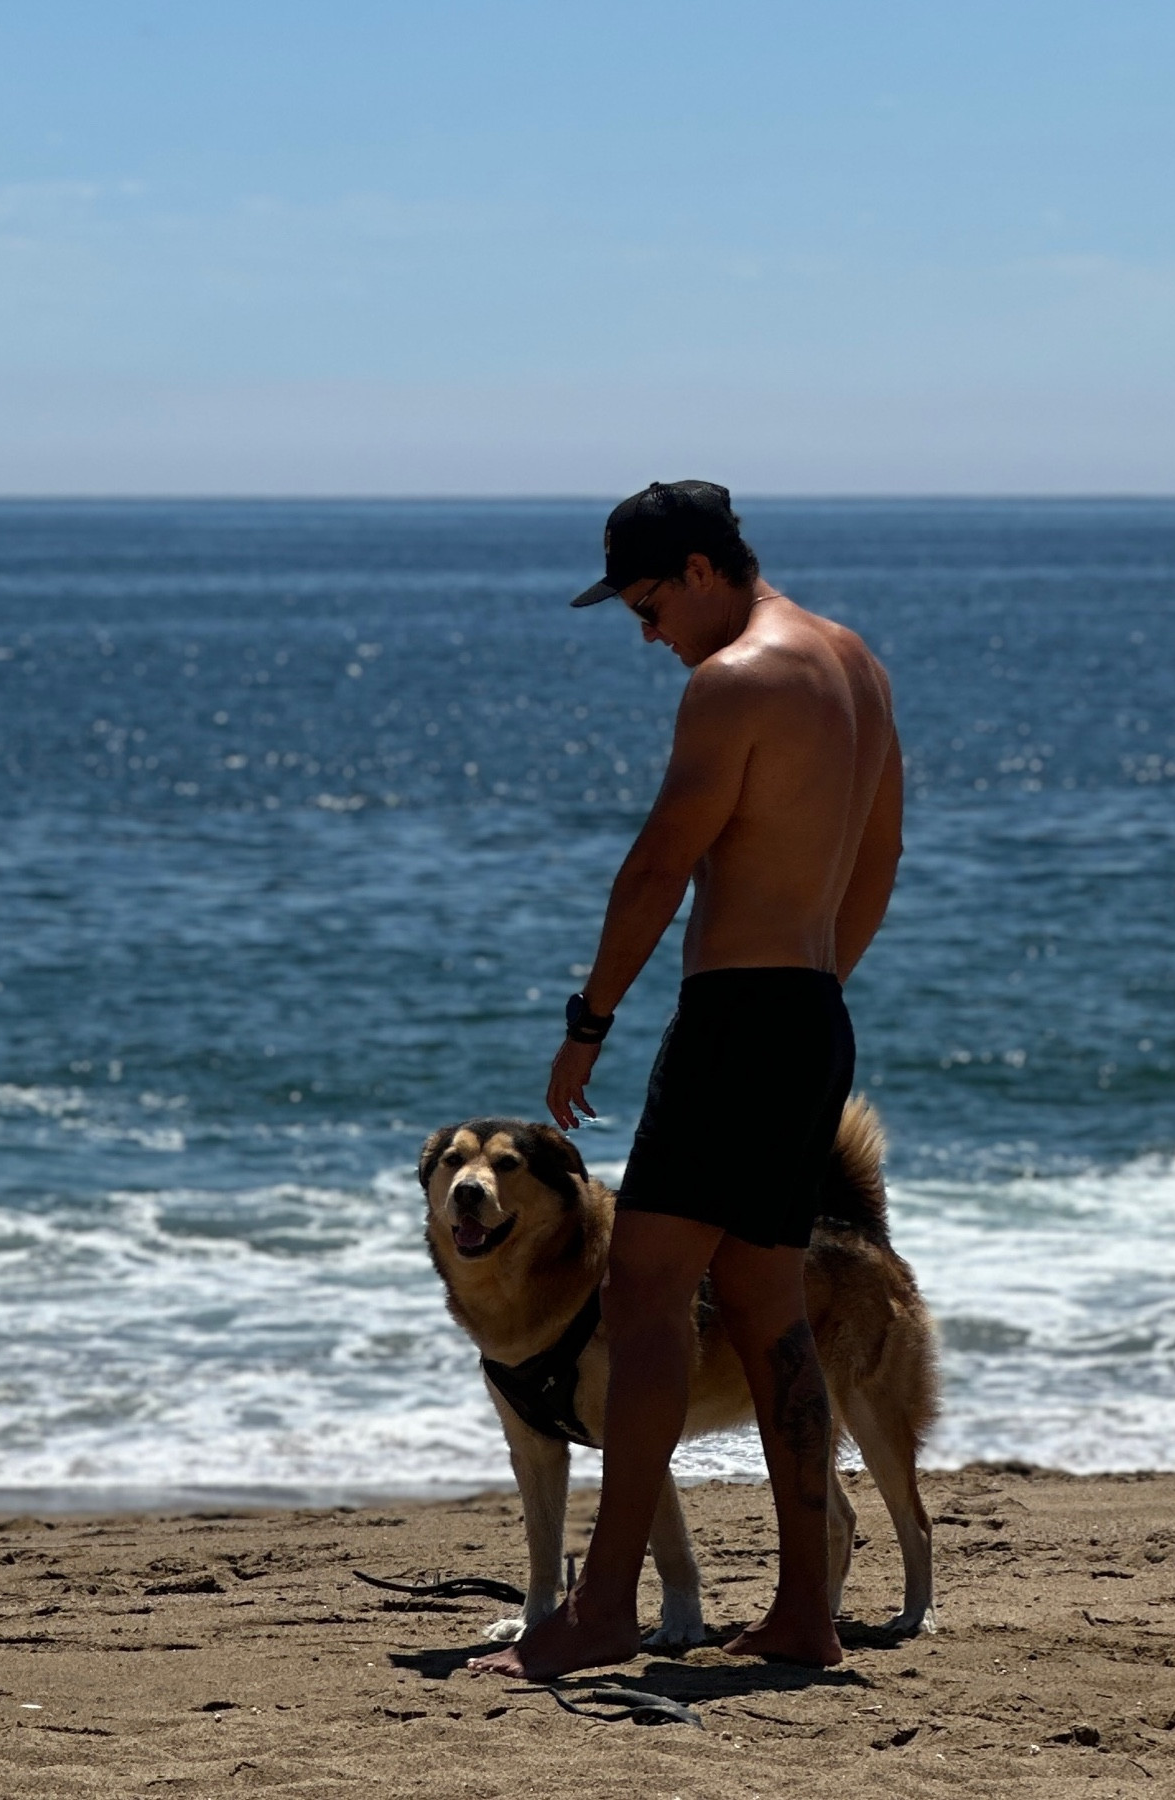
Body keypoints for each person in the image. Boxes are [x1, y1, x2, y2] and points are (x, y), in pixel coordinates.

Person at [470, 481, 904, 1680]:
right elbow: (880, 853)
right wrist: (814, 985)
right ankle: (805, 1613)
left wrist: (588, 1021)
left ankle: (604, 1607)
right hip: (810, 1015)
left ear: (703, 571)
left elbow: (661, 863)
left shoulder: (734, 682)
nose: (648, 634)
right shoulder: (855, 666)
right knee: (768, 1307)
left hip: (737, 1021)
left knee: (645, 1292)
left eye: (649, 606)